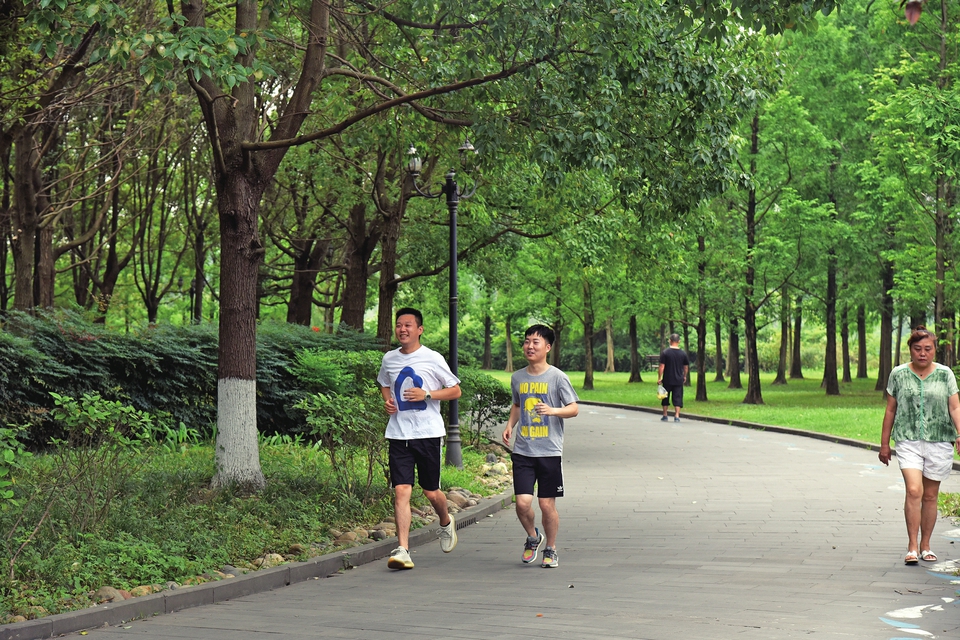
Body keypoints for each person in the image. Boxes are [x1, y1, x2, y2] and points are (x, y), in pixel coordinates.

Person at [378, 307, 462, 570]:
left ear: (419, 329)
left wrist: (427, 395)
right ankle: (403, 549)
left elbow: (455, 390)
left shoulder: (432, 358)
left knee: (430, 490)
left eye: (408, 325)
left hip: (427, 434)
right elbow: (384, 384)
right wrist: (388, 403)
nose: (403, 329)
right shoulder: (389, 359)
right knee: (401, 491)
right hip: (398, 434)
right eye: (399, 325)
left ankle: (446, 522)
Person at [879, 326, 960, 565]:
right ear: (910, 350)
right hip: (908, 439)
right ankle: (912, 546)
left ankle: (926, 545)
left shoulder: (945, 374)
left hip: (938, 440)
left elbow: (954, 407)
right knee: (914, 490)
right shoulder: (899, 374)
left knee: (931, 495)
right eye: (917, 349)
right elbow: (890, 409)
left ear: (935, 350)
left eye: (927, 349)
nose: (922, 353)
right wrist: (884, 444)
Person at [501, 324, 579, 568]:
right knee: (523, 503)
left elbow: (573, 408)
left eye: (535, 342)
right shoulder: (518, 377)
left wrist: (552, 410)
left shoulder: (557, 377)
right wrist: (509, 425)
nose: (529, 346)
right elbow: (517, 404)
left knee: (546, 504)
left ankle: (551, 548)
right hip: (523, 449)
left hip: (549, 451)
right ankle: (533, 537)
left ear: (547, 347)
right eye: (526, 341)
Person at [657, 333, 690, 422]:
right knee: (678, 397)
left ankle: (665, 415)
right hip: (678, 380)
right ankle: (677, 416)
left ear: (670, 341)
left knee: (664, 396)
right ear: (679, 341)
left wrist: (659, 378)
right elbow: (686, 367)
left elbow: (661, 367)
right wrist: (684, 376)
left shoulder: (665, 352)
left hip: (667, 379)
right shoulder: (683, 354)